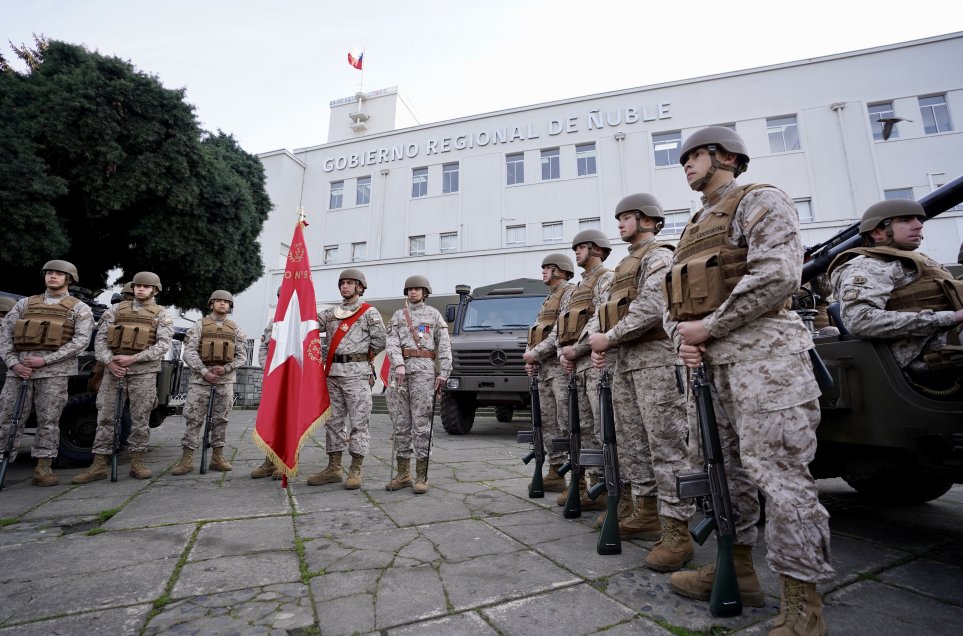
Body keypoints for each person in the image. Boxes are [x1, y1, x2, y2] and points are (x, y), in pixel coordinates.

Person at [664, 126, 833, 635]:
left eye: (695, 155)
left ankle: (803, 609)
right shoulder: (695, 225)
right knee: (724, 473)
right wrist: (684, 337)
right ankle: (735, 570)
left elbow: (778, 274)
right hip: (712, 366)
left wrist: (709, 327)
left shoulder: (761, 200)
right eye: (684, 158)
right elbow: (675, 302)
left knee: (780, 478)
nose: (686, 164)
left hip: (767, 362)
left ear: (726, 157)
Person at [588, 193, 696, 572]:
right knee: (634, 443)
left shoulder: (660, 255)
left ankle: (677, 529)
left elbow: (652, 305)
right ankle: (645, 512)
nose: (620, 223)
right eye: (619, 218)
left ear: (648, 220)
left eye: (627, 217)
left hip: (654, 360)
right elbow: (605, 311)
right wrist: (599, 342)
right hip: (626, 363)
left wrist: (610, 337)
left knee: (666, 445)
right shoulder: (623, 266)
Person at [828, 199, 963, 375]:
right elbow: (860, 320)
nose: (918, 226)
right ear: (877, 232)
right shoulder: (869, 266)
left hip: (944, 339)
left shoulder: (923, 262)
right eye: (905, 220)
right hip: (917, 352)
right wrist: (949, 318)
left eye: (918, 220)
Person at [73, 271, 174, 483]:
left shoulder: (161, 314)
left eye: (145, 287)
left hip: (143, 373)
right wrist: (109, 361)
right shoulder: (115, 310)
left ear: (155, 290)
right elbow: (100, 339)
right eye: (137, 286)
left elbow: (163, 345)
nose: (140, 289)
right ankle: (99, 464)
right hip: (113, 371)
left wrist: (134, 359)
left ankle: (137, 462)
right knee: (106, 417)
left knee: (140, 418)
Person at [0, 260, 94, 486]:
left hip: (53, 374)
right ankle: (3, 460)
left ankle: (43, 467)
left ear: (69, 279)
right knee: (6, 418)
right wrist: (14, 364)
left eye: (58, 274)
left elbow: (80, 342)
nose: (53, 277)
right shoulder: (24, 305)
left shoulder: (79, 308)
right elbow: (5, 336)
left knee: (49, 421)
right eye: (49, 273)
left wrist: (45, 360)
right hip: (19, 373)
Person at [306, 269, 386, 490]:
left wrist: (360, 357)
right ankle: (333, 467)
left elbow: (380, 340)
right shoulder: (331, 313)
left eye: (350, 283)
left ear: (360, 287)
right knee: (333, 422)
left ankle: (355, 469)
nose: (345, 287)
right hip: (332, 374)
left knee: (359, 422)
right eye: (342, 283)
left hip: (357, 374)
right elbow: (310, 323)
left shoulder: (369, 312)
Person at [555, 229, 613, 511]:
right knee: (581, 428)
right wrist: (562, 353)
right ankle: (583, 484)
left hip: (592, 363)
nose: (576, 251)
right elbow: (560, 326)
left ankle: (602, 486)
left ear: (598, 250)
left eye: (582, 247)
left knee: (601, 429)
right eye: (575, 247)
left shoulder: (606, 278)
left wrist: (575, 350)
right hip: (574, 366)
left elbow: (601, 317)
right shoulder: (576, 288)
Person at [384, 275, 452, 494]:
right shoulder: (397, 316)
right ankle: (403, 474)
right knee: (400, 424)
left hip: (424, 371)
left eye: (417, 289)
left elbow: (444, 346)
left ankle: (421, 476)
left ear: (425, 292)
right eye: (410, 289)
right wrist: (398, 364)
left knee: (422, 424)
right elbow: (391, 342)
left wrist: (444, 373)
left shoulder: (433, 315)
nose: (413, 292)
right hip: (400, 374)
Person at [171, 290, 248, 475]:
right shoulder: (199, 325)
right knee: (193, 419)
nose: (222, 304)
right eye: (218, 301)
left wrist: (226, 369)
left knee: (221, 420)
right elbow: (189, 351)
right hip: (200, 381)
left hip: (224, 381)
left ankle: (217, 457)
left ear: (230, 306)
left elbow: (242, 355)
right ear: (211, 304)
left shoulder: (235, 328)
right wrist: (204, 371)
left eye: (226, 302)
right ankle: (187, 459)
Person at [522, 254, 576, 492]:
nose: (543, 272)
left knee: (567, 422)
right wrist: (530, 355)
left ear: (562, 271)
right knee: (547, 423)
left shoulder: (569, 293)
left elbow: (559, 331)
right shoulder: (548, 299)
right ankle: (555, 471)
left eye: (549, 268)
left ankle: (578, 477)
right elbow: (535, 330)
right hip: (544, 370)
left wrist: (536, 354)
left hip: (560, 368)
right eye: (543, 268)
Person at [251, 287, 282, 480]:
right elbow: (264, 348)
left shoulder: (300, 320)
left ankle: (285, 461)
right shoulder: (274, 322)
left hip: (291, 380)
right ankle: (269, 461)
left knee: (289, 419)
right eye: (280, 296)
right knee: (271, 419)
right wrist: (267, 368)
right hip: (273, 378)